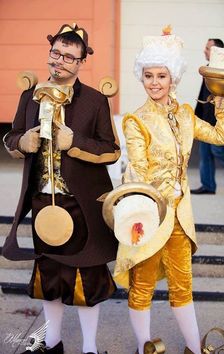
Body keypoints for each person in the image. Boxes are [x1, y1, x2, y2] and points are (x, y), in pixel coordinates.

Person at [111, 30, 224, 354]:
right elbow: (139, 170)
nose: (154, 82)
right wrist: (139, 213)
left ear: (172, 77)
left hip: (181, 218)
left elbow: (220, 136)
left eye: (161, 75)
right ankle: (143, 347)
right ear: (142, 77)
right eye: (148, 76)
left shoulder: (184, 114)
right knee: (143, 287)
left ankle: (194, 348)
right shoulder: (136, 120)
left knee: (183, 287)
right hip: (150, 217)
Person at [3, 23, 120, 354]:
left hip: (82, 204)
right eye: (56, 53)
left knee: (86, 278)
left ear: (81, 61)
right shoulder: (30, 95)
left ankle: (90, 349)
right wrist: (21, 142)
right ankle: (51, 344)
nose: (61, 61)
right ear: (49, 52)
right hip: (42, 202)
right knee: (49, 277)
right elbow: (10, 136)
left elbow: (111, 151)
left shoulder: (96, 100)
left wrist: (75, 142)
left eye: (70, 57)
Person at [191, 38, 224, 194]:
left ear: (217, 51)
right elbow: (203, 95)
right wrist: (196, 117)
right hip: (205, 119)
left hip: (218, 120)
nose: (205, 50)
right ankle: (208, 185)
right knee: (204, 153)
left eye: (208, 48)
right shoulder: (209, 69)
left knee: (218, 151)